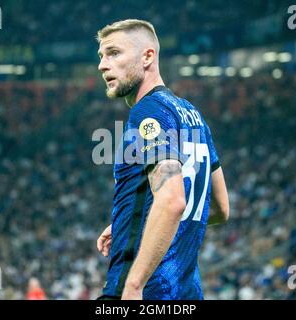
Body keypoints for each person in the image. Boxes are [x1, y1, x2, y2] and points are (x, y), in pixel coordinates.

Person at [95, 19, 229, 300]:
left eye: (114, 53)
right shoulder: (193, 115)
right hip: (186, 292)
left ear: (147, 56)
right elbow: (218, 208)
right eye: (102, 56)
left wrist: (133, 285)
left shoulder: (149, 113)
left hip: (144, 290)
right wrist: (135, 221)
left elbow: (172, 200)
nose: (103, 65)